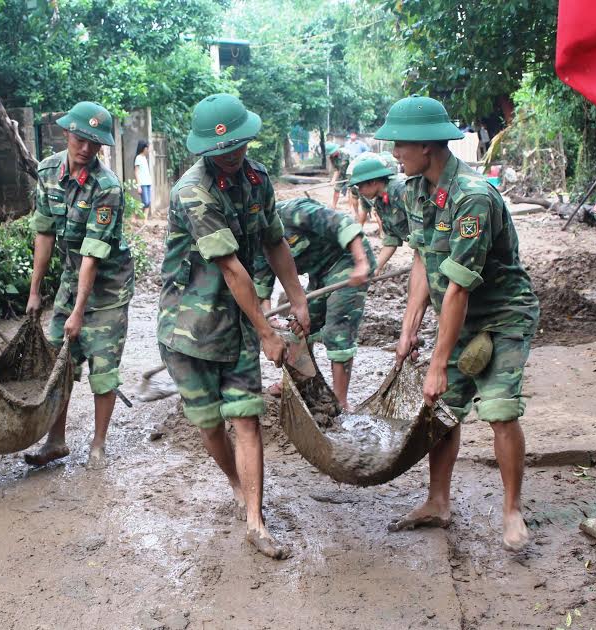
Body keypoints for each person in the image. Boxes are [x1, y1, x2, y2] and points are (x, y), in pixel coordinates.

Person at [374, 96, 539, 551]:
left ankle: (511, 511)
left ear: (428, 146)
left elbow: (461, 287)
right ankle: (437, 502)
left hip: (502, 314)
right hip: (456, 311)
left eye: (401, 144)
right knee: (443, 413)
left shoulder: (473, 198)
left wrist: (437, 364)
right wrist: (409, 328)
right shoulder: (413, 191)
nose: (394, 153)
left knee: (500, 409)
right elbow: (424, 263)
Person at [158, 93, 310, 559]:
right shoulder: (193, 191)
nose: (233, 153)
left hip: (238, 325)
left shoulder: (257, 177)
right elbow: (231, 269)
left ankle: (255, 521)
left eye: (239, 143)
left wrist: (299, 296)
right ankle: (234, 482)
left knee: (246, 418)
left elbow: (273, 241)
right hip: (190, 330)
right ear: (205, 148)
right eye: (222, 148)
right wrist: (267, 330)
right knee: (209, 425)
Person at [24, 101, 134, 470]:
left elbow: (93, 254)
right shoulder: (47, 171)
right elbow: (44, 232)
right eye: (80, 138)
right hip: (72, 280)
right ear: (67, 132)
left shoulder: (108, 187)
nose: (85, 148)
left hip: (108, 289)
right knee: (60, 365)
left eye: (94, 143)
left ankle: (98, 445)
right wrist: (35, 290)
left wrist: (78, 312)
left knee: (103, 370)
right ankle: (55, 440)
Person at [254, 198, 374, 410]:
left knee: (338, 329)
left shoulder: (293, 212)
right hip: (319, 273)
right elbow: (262, 289)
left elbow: (344, 225)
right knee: (299, 326)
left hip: (347, 261)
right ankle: (298, 383)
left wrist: (362, 264)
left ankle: (340, 401)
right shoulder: (256, 242)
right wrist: (268, 320)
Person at [348, 156, 410, 275]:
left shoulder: (401, 191)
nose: (360, 191)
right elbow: (391, 240)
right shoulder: (381, 203)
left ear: (373, 182)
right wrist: (376, 268)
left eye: (360, 186)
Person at [325, 143, 351, 210]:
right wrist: (333, 180)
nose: (332, 155)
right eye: (331, 154)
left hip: (349, 173)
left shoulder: (346, 154)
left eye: (332, 153)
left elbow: (352, 165)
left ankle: (350, 208)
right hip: (341, 173)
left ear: (336, 150)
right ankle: (333, 206)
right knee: (336, 189)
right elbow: (336, 169)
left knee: (350, 190)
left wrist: (351, 177)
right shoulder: (331, 157)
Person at [134, 140, 153, 218]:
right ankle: (133, 216)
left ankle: (145, 220)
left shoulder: (145, 158)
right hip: (142, 184)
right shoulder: (138, 158)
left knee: (148, 202)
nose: (150, 150)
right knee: (145, 202)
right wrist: (138, 186)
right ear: (144, 148)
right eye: (149, 148)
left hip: (148, 183)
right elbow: (136, 172)